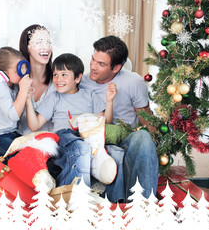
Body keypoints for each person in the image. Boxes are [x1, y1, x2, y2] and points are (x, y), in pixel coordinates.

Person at [79, 35, 158, 201]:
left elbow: (146, 119)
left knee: (143, 137)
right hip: (96, 139)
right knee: (112, 153)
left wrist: (158, 145)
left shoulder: (133, 81)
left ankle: (143, 205)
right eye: (93, 60)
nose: (93, 67)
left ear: (116, 68)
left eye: (101, 64)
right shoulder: (82, 82)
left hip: (126, 136)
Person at [25, 53, 117, 186]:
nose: (58, 79)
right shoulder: (54, 98)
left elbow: (105, 123)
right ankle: (78, 195)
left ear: (78, 78)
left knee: (116, 154)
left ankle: (114, 201)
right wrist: (28, 101)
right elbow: (35, 125)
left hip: (88, 136)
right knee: (81, 148)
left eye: (64, 74)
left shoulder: (89, 95)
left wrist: (109, 101)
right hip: (65, 136)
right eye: (55, 74)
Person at [0, 24, 56, 161]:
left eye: (48, 41)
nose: (45, 46)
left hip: (46, 145)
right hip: (20, 144)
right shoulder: (15, 82)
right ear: (27, 48)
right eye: (39, 42)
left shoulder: (60, 81)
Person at [0, 46, 32, 164]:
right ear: (3, 74)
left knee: (31, 152)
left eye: (24, 67)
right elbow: (13, 115)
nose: (23, 73)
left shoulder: (15, 84)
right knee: (20, 158)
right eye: (18, 69)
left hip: (11, 133)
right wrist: (23, 91)